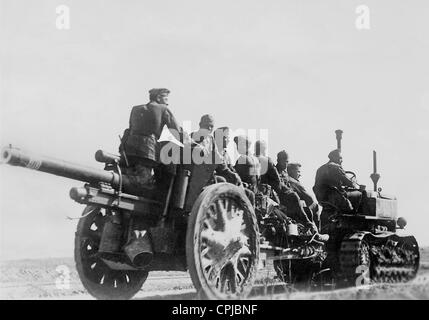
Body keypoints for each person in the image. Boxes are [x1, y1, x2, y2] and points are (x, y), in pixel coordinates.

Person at [119, 88, 183, 194]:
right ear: (158, 98)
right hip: (147, 150)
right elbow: (176, 130)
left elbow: (130, 129)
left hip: (129, 149)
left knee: (129, 174)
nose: (168, 102)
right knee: (144, 181)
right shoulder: (162, 109)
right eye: (166, 99)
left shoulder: (136, 109)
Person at [276, 150, 328, 240]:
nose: (300, 174)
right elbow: (309, 198)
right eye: (298, 172)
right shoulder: (292, 181)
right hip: (287, 205)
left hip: (286, 203)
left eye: (287, 161)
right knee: (314, 207)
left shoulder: (284, 174)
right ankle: (315, 232)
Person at [191, 116, 241, 185]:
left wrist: (230, 173)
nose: (209, 128)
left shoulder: (211, 139)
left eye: (211, 126)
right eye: (207, 125)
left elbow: (218, 159)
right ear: (200, 125)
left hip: (208, 176)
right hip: (193, 175)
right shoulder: (192, 137)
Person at [313, 149, 362, 213]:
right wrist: (354, 182)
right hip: (332, 195)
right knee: (356, 199)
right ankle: (352, 217)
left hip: (321, 197)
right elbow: (349, 183)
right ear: (334, 157)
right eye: (340, 158)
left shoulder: (320, 168)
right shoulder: (336, 167)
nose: (342, 160)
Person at [287, 162, 320, 227]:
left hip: (287, 208)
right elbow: (310, 199)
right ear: (291, 171)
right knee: (315, 205)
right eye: (298, 172)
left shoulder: (285, 179)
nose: (300, 175)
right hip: (295, 209)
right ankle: (317, 231)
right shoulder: (294, 182)